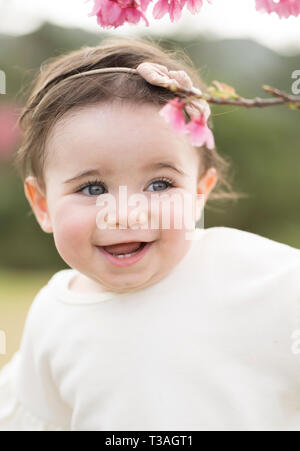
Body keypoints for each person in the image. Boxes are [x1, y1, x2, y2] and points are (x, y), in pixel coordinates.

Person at [0, 36, 300, 431]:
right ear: (42, 204)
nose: (125, 213)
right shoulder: (54, 316)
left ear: (199, 192)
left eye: (159, 185)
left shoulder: (264, 277)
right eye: (92, 188)